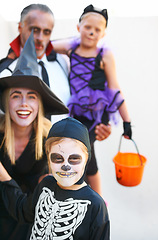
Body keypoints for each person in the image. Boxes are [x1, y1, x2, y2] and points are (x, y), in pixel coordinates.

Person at [0, 4, 112, 196]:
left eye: (46, 32)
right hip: (22, 172)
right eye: (34, 30)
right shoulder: (5, 72)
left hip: (65, 163)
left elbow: (83, 98)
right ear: (20, 27)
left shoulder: (62, 62)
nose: (40, 38)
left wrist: (101, 123)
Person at [52, 4, 132, 195]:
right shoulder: (71, 48)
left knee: (86, 155)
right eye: (88, 27)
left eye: (97, 30)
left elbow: (115, 88)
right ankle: (86, 197)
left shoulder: (104, 54)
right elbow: (46, 44)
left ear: (103, 34)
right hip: (77, 113)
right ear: (78, 27)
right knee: (82, 154)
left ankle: (98, 201)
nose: (91, 33)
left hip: (97, 114)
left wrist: (127, 121)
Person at [0, 31, 68, 240]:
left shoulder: (52, 143)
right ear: (5, 102)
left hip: (28, 229)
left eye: (31, 97)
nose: (23, 104)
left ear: (40, 104)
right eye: (16, 96)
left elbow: (31, 211)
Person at [0, 117, 110, 240]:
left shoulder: (95, 204)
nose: (66, 166)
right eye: (58, 158)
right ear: (48, 159)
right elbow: (23, 211)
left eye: (74, 159)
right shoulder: (46, 185)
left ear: (86, 159)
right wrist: (3, 174)